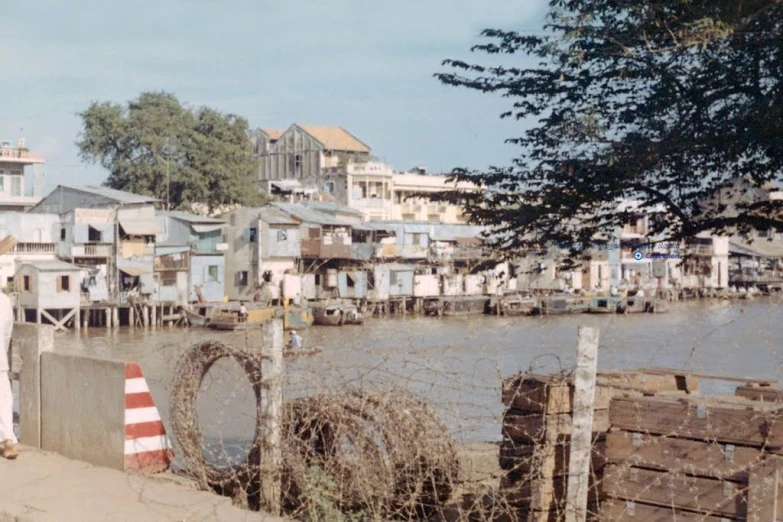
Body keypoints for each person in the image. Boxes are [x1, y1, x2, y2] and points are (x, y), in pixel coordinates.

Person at [0, 290, 17, 459]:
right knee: (4, 400)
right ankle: (8, 441)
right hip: (0, 360)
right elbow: (7, 333)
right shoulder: (4, 300)